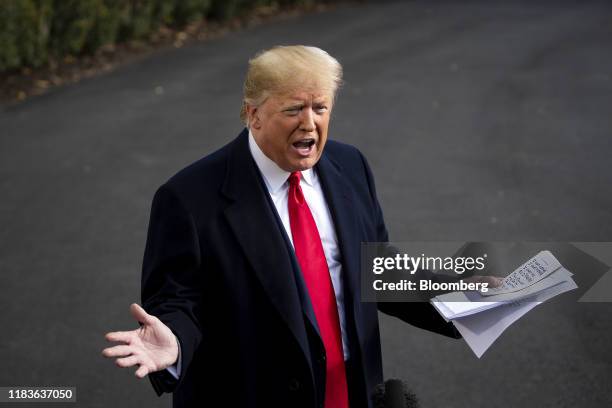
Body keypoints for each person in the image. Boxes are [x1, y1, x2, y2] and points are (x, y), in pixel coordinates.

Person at [102, 45, 462, 408]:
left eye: (320, 108)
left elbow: (378, 268)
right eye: (293, 109)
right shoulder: (188, 198)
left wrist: (466, 299)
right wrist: (175, 341)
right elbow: (178, 301)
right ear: (253, 114)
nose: (309, 123)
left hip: (349, 393)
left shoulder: (350, 166)